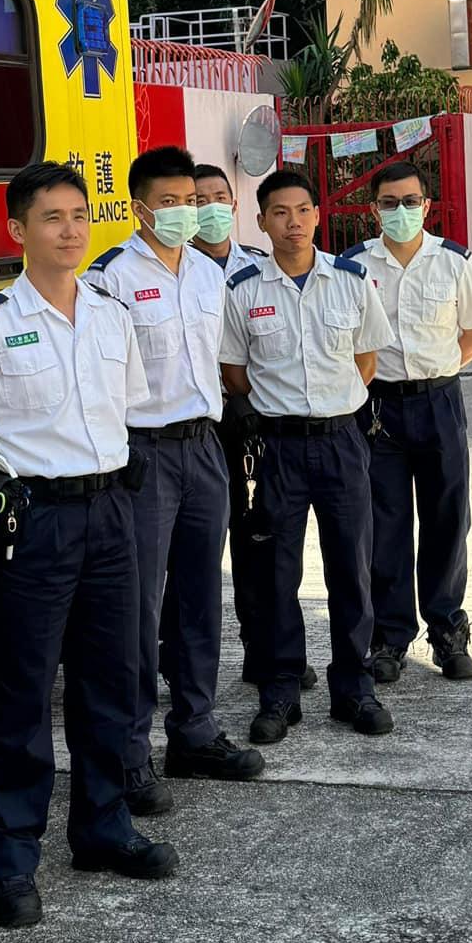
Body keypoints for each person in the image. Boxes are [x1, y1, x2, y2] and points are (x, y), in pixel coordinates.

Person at [0, 160, 178, 930]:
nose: (71, 229)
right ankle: (12, 857)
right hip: (36, 522)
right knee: (21, 693)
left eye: (79, 215)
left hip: (113, 510)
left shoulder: (112, 315)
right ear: (18, 230)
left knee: (111, 679)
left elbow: (129, 410)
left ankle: (103, 828)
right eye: (52, 217)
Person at [86, 147, 264, 817]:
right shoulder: (110, 278)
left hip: (203, 448)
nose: (186, 213)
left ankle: (194, 730)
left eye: (192, 201)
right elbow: (98, 374)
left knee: (199, 596)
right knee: (136, 609)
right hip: (142, 456)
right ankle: (130, 756)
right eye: (170, 202)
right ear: (138, 208)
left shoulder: (205, 274)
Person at [219, 169, 393, 744]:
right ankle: (280, 691)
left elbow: (365, 362)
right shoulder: (243, 290)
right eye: (279, 213)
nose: (292, 223)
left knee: (352, 567)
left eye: (302, 211)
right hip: (278, 447)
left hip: (343, 441)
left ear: (318, 215)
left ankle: (354, 688)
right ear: (262, 220)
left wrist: (333, 408)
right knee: (275, 574)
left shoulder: (351, 280)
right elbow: (235, 371)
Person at [342, 160, 472, 685]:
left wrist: (440, 370)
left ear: (427, 206)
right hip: (377, 407)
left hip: (438, 402)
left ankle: (448, 631)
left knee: (448, 519)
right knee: (384, 524)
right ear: (373, 210)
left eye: (411, 202)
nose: (401, 211)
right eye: (390, 203)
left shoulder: (454, 262)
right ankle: (390, 637)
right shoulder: (354, 267)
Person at [190, 163, 299, 690]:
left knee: (259, 541)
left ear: (234, 206)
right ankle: (185, 664)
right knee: (195, 550)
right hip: (193, 427)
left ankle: (267, 652)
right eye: (199, 198)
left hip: (250, 419)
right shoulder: (172, 270)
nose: (211, 207)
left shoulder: (258, 267)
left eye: (219, 196)